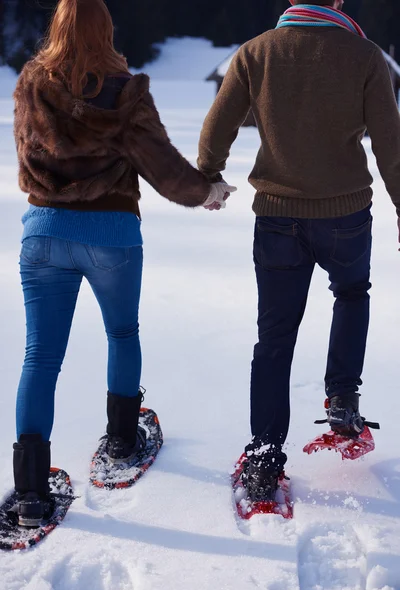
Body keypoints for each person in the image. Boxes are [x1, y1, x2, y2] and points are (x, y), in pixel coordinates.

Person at [12, 0, 235, 527]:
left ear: (58, 28)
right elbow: (162, 165)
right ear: (106, 32)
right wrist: (208, 191)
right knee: (122, 334)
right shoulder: (127, 93)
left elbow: (27, 155)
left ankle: (28, 495)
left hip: (44, 233)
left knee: (39, 358)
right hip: (111, 235)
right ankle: (122, 439)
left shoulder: (31, 85)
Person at [198, 0, 400, 502]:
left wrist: (208, 175)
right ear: (338, 1)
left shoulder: (256, 52)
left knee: (275, 334)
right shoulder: (366, 55)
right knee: (352, 294)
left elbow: (216, 128)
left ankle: (264, 457)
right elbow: (391, 145)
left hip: (278, 216)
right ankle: (342, 400)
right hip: (346, 216)